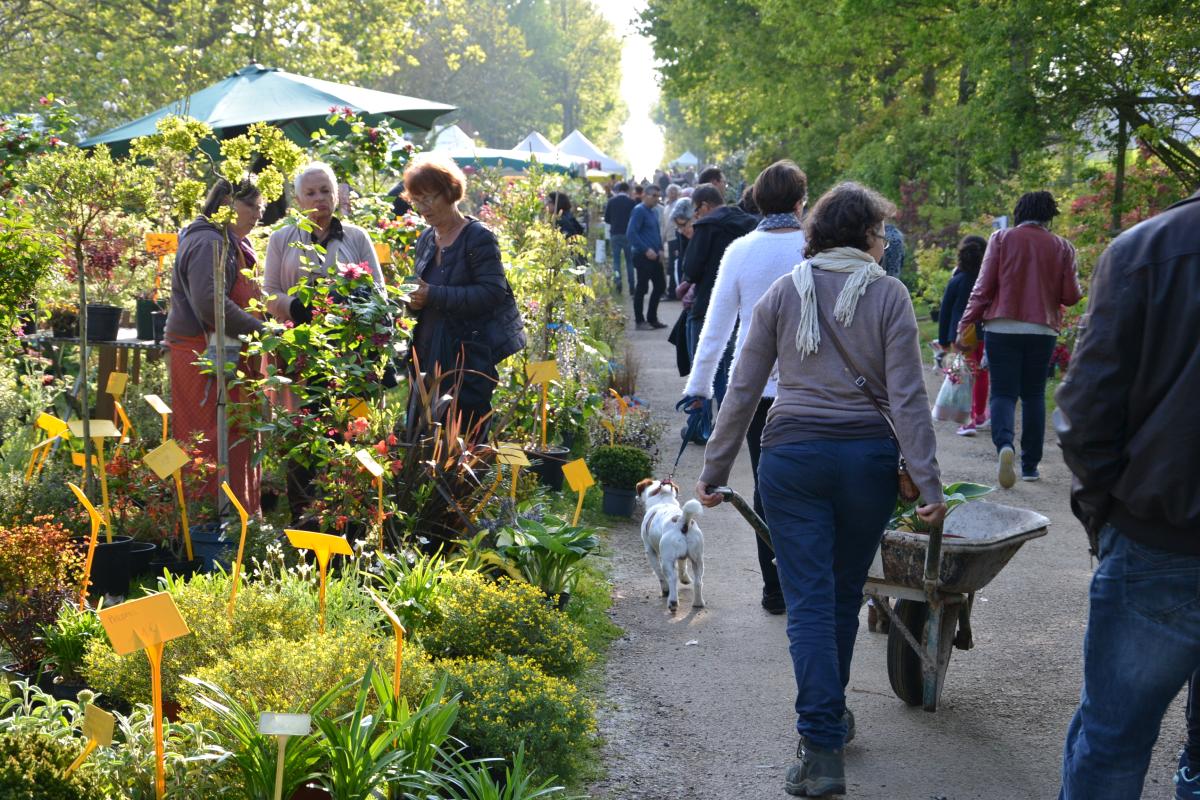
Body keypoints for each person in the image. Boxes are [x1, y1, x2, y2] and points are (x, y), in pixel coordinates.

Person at [694, 182, 945, 796]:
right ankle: (826, 723)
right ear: (864, 237)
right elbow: (909, 398)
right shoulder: (889, 296)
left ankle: (823, 742)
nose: (883, 243)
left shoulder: (783, 293)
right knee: (838, 598)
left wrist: (715, 470)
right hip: (866, 465)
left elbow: (743, 388)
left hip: (792, 461)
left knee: (809, 602)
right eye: (880, 233)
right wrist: (930, 483)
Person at [1054, 188, 1200, 799]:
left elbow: (1089, 408)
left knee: (1114, 741)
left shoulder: (1151, 249)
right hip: (1156, 532)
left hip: (1160, 535)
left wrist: (1104, 513)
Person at [683, 160, 808, 615]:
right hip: (812, 389)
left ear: (755, 199)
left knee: (766, 485)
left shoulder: (739, 251)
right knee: (812, 486)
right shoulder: (816, 247)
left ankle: (775, 589)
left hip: (756, 391)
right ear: (800, 201)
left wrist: (699, 389)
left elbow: (715, 329)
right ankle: (811, 581)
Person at [957, 190, 1082, 487]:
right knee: (1034, 395)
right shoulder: (1063, 246)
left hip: (1001, 327)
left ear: (1019, 213)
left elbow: (983, 286)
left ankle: (1005, 447)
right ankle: (1030, 466)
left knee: (1002, 394)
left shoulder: (1001, 239)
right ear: (1049, 216)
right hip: (1042, 329)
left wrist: (966, 322)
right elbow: (1072, 295)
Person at [403, 154, 525, 436]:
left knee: (463, 438)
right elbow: (421, 288)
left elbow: (492, 292)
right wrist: (411, 298)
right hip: (426, 351)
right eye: (417, 200)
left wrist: (433, 295)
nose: (423, 207)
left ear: (450, 192)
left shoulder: (477, 237)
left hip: (465, 357)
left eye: (430, 198)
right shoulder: (426, 238)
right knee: (424, 435)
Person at [166, 177, 266, 515]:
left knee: (234, 437)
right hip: (201, 355)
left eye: (260, 207)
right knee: (208, 439)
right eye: (252, 204)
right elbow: (211, 305)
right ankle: (209, 523)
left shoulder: (229, 241)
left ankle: (239, 520)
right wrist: (262, 330)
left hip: (228, 353)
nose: (258, 213)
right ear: (226, 201)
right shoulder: (209, 242)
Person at [264, 161, 385, 325]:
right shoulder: (280, 238)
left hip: (347, 336)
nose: (319, 197)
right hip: (296, 339)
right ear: (299, 201)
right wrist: (295, 308)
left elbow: (378, 290)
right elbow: (269, 293)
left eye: (325, 191)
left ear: (336, 195)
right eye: (310, 193)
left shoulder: (358, 237)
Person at [681, 182, 757, 427]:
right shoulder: (747, 224)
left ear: (704, 205)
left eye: (697, 209)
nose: (696, 214)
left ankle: (700, 427)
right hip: (739, 304)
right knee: (727, 370)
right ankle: (728, 425)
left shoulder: (707, 226)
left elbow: (691, 268)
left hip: (707, 304)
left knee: (703, 366)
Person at [937, 235, 990, 435]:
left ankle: (965, 418)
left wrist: (943, 340)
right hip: (983, 333)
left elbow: (945, 311)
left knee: (963, 376)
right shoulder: (987, 281)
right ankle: (979, 414)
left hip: (960, 337)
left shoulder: (957, 280)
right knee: (982, 374)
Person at [627, 184, 666, 331]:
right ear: (645, 195)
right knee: (642, 288)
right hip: (642, 256)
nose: (657, 199)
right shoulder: (639, 211)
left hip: (655, 255)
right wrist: (645, 249)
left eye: (658, 196)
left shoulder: (654, 212)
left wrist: (661, 248)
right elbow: (631, 234)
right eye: (654, 196)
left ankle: (652, 318)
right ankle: (639, 321)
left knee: (660, 286)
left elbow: (656, 233)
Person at [603, 181, 636, 293]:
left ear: (618, 190)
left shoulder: (611, 202)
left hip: (615, 233)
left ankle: (618, 281)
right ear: (627, 190)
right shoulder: (632, 202)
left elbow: (607, 219)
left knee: (616, 261)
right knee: (629, 262)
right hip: (629, 234)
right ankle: (632, 285)